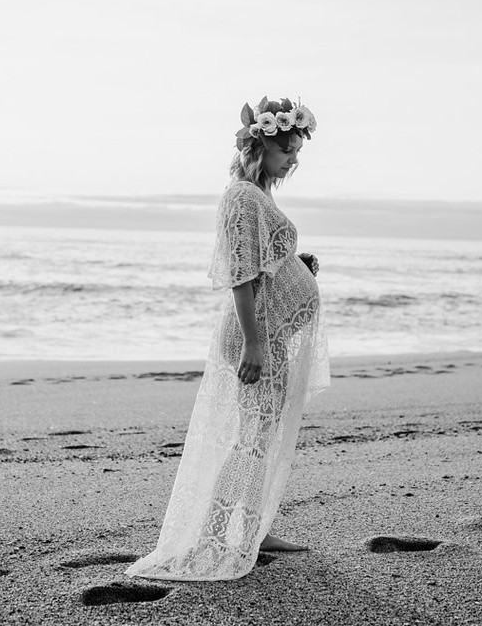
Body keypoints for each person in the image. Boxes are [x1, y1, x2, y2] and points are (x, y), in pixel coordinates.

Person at [125, 96, 330, 581]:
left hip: (269, 334)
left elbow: (263, 268)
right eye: (287, 151)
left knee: (262, 437)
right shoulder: (241, 197)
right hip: (253, 337)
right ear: (260, 147)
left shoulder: (260, 195)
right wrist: (255, 343)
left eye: (297, 151)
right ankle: (216, 533)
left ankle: (255, 527)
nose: (294, 160)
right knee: (249, 440)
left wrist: (296, 267)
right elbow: (240, 276)